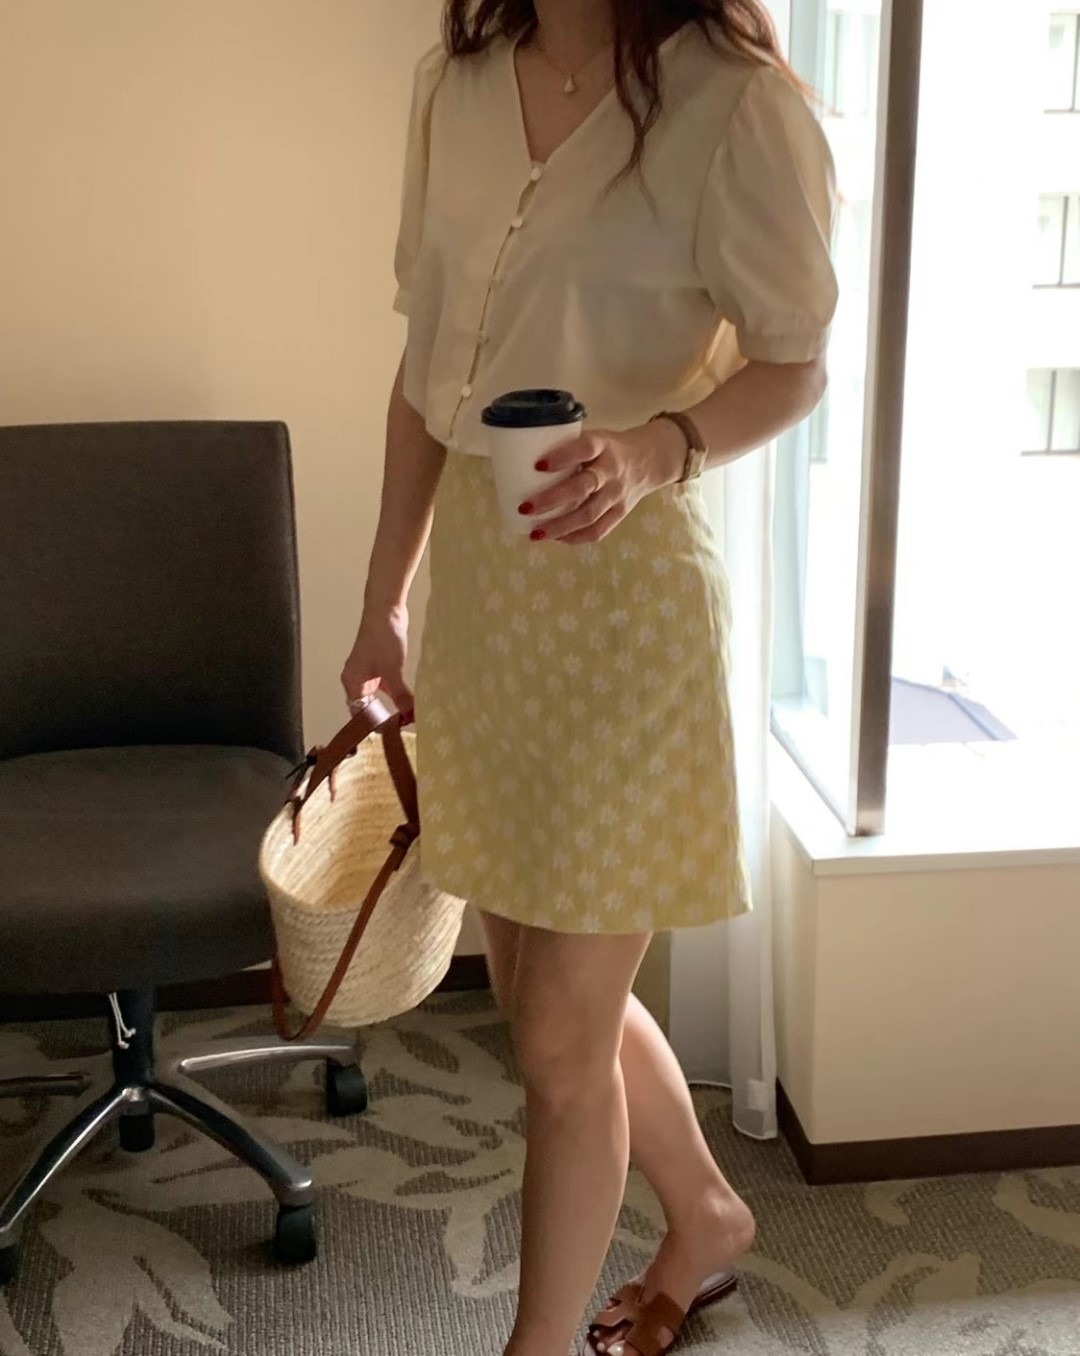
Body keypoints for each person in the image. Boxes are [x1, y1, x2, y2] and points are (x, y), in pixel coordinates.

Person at [342, 1, 837, 1352]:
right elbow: (423, 378)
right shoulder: (453, 87)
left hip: (628, 612)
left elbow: (795, 359)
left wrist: (662, 446)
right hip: (485, 607)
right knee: (545, 1003)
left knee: (562, 1048)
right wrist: (383, 599)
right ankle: (709, 1214)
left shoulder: (731, 103)